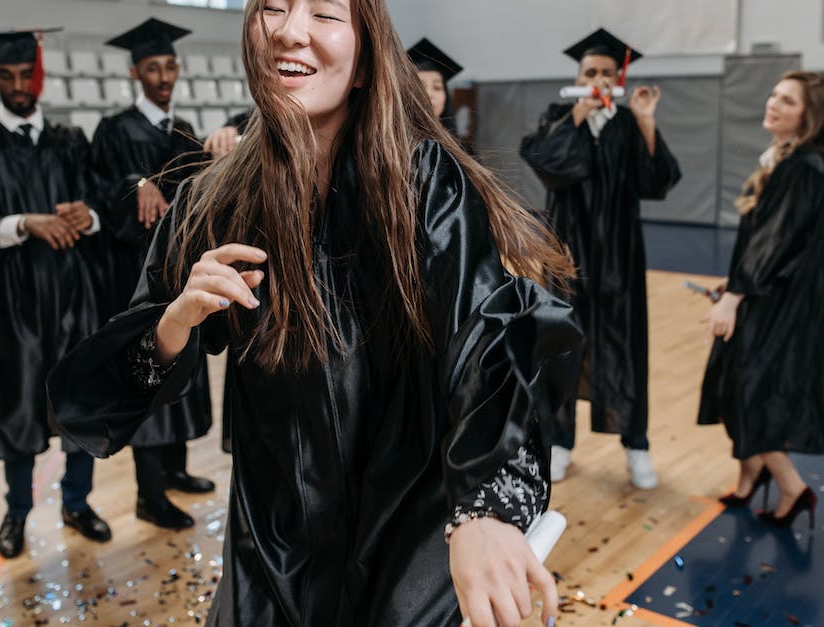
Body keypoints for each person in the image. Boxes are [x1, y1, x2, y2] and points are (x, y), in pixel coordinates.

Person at [49, 0, 582, 625]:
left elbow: (486, 339)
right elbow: (96, 400)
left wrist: (483, 511)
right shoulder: (211, 200)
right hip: (273, 548)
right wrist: (175, 323)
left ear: (364, 61)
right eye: (272, 6)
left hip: (410, 536)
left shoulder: (423, 184)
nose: (290, 29)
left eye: (325, 13)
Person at [0, 28, 113, 558]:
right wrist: (25, 223)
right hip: (10, 300)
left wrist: (90, 214)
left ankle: (77, 502)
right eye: (7, 76)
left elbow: (102, 199)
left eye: (26, 75)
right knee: (18, 406)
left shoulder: (70, 141)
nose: (18, 86)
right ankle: (17, 511)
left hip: (72, 294)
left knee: (80, 404)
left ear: (38, 77)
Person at [519, 28, 681, 489]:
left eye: (608, 72)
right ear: (578, 76)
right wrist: (578, 115)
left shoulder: (629, 123)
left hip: (619, 258)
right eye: (590, 72)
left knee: (625, 348)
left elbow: (657, 182)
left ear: (619, 77)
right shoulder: (558, 115)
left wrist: (647, 120)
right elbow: (550, 167)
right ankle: (560, 443)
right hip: (567, 254)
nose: (599, 79)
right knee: (561, 346)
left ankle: (637, 445)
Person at [698, 71, 824, 529]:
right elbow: (769, 239)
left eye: (788, 100)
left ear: (809, 116)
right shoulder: (786, 159)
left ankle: (792, 488)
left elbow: (775, 244)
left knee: (749, 390)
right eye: (774, 93)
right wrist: (734, 281)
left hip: (779, 303)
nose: (773, 103)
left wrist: (735, 295)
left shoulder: (802, 166)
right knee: (734, 382)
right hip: (767, 291)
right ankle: (749, 478)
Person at [91, 18, 215, 530]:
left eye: (169, 66)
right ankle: (148, 493)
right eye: (151, 68)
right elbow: (99, 191)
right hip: (134, 275)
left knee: (182, 365)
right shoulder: (114, 130)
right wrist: (137, 182)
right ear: (134, 73)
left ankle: (176, 470)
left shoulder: (184, 130)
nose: (162, 76)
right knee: (148, 371)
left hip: (180, 271)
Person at [407, 38, 463, 138]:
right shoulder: (391, 147)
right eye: (420, 87)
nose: (429, 94)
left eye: (437, 87)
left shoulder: (462, 151)